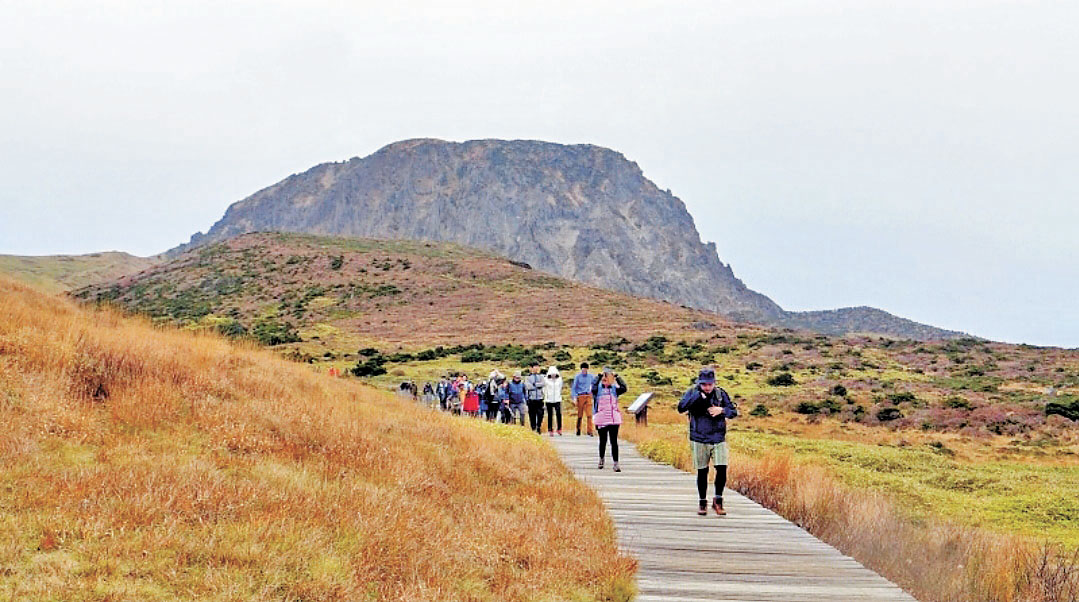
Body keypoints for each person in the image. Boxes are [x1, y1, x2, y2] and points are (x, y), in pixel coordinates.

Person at [677, 367, 738, 517]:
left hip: (718, 437)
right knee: (702, 471)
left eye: (710, 384)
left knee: (722, 468)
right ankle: (702, 502)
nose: (707, 387)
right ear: (700, 383)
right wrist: (698, 397)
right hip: (699, 437)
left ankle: (718, 500)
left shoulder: (720, 394)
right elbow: (681, 408)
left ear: (714, 383)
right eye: (704, 384)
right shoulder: (692, 392)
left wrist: (721, 410)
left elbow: (733, 412)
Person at [591, 367, 628, 472]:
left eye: (608, 378)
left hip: (613, 417)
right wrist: (599, 376)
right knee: (603, 440)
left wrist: (617, 377)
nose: (606, 380)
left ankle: (616, 463)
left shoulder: (614, 390)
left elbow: (624, 388)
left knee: (614, 441)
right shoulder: (597, 390)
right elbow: (593, 386)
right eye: (604, 378)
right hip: (601, 417)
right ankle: (601, 459)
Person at [571, 363, 596, 436]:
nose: (584, 370)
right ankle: (578, 429)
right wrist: (574, 397)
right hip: (580, 396)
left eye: (585, 369)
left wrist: (594, 396)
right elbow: (574, 388)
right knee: (580, 414)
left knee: (589, 414)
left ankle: (590, 431)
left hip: (588, 395)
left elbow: (594, 386)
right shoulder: (578, 377)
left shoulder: (591, 376)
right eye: (583, 369)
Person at [525, 363, 546, 434]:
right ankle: (533, 427)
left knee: (540, 414)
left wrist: (535, 384)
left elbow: (543, 384)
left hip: (540, 398)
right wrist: (537, 386)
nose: (536, 368)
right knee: (532, 414)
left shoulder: (541, 376)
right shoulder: (528, 377)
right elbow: (528, 387)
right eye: (535, 367)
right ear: (531, 368)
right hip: (531, 399)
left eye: (537, 367)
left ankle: (538, 426)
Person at [543, 365, 564, 436]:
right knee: (550, 415)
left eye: (554, 373)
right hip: (548, 400)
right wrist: (546, 396)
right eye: (552, 374)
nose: (553, 375)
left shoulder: (559, 379)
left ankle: (559, 428)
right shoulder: (545, 380)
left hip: (557, 399)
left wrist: (559, 394)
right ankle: (550, 429)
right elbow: (544, 389)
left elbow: (560, 387)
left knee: (558, 414)